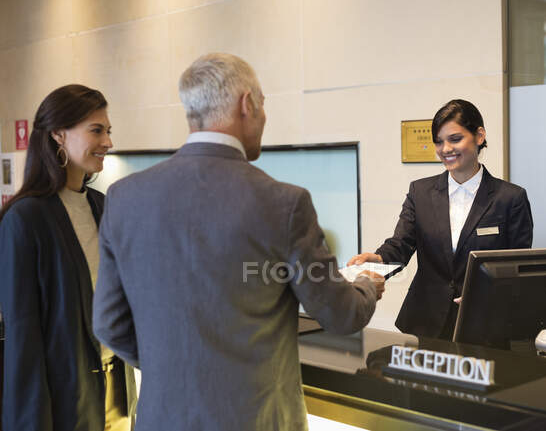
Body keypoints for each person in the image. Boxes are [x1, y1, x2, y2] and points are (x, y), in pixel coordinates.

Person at [92, 53, 384, 431]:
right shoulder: (285, 203)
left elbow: (109, 323)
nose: (264, 118)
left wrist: (173, 372)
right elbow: (340, 313)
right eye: (263, 106)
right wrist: (366, 286)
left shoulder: (124, 198)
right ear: (247, 104)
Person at [0, 85, 137, 431]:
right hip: (62, 402)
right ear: (58, 135)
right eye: (96, 130)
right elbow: (23, 339)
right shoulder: (25, 219)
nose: (107, 142)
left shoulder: (102, 205)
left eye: (108, 131)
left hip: (116, 392)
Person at [348, 99, 533, 339]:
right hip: (425, 321)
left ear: (479, 136)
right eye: (438, 142)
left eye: (455, 139)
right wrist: (378, 258)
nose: (445, 149)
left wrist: (487, 294)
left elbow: (517, 267)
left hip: (484, 325)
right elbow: (401, 245)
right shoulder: (420, 192)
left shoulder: (510, 198)